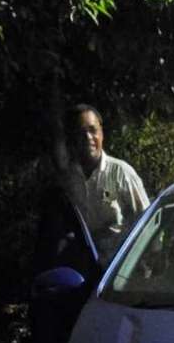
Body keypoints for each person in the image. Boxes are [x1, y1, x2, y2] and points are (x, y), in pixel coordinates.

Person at [61, 103, 150, 261]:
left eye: (93, 130)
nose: (88, 138)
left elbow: (147, 222)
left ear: (101, 133)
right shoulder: (68, 181)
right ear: (72, 139)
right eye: (81, 133)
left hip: (121, 270)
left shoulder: (121, 173)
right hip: (84, 270)